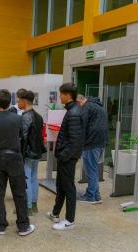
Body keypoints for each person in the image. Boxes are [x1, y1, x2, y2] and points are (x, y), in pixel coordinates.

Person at [0, 89, 35, 236]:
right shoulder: (18, 119)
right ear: (9, 102)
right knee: (19, 192)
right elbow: (21, 136)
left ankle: (1, 225)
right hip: (14, 158)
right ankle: (23, 226)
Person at [46, 83, 84, 231]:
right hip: (65, 157)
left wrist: (63, 156)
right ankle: (56, 213)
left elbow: (75, 141)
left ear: (68, 95)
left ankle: (69, 220)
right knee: (61, 186)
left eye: (61, 94)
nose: (60, 96)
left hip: (67, 158)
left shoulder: (74, 113)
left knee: (69, 188)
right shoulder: (71, 110)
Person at [76, 94, 108, 204]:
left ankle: (90, 196)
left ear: (79, 101)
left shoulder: (87, 106)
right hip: (101, 142)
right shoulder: (99, 106)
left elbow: (82, 125)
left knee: (90, 170)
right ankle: (96, 194)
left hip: (92, 142)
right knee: (94, 169)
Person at [18, 90, 46, 215]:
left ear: (24, 101)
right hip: (36, 152)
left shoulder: (25, 117)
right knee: (34, 177)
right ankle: (34, 204)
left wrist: (20, 155)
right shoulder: (38, 116)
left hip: (28, 153)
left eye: (19, 100)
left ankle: (28, 207)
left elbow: (23, 138)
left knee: (27, 178)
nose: (18, 103)